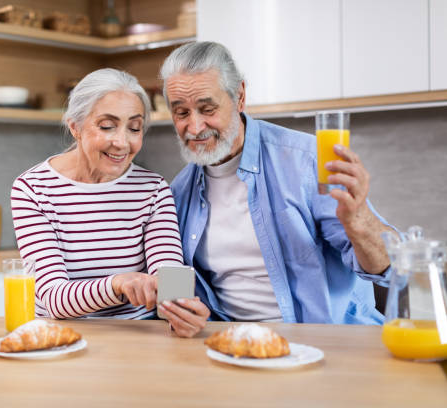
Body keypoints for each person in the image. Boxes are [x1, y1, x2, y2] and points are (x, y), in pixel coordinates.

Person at [157, 42, 396, 325]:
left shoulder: (307, 161)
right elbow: (172, 282)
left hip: (327, 341)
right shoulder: (177, 192)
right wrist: (175, 312)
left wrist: (360, 223)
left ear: (239, 96)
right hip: (231, 346)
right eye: (182, 113)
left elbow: (389, 269)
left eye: (207, 109)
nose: (195, 128)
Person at [11, 68, 209, 337]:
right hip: (59, 339)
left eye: (134, 128)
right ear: (75, 127)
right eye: (107, 126)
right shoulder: (33, 189)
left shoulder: (152, 189)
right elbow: (53, 297)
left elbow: (169, 275)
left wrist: (180, 311)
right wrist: (118, 284)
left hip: (137, 338)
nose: (122, 142)